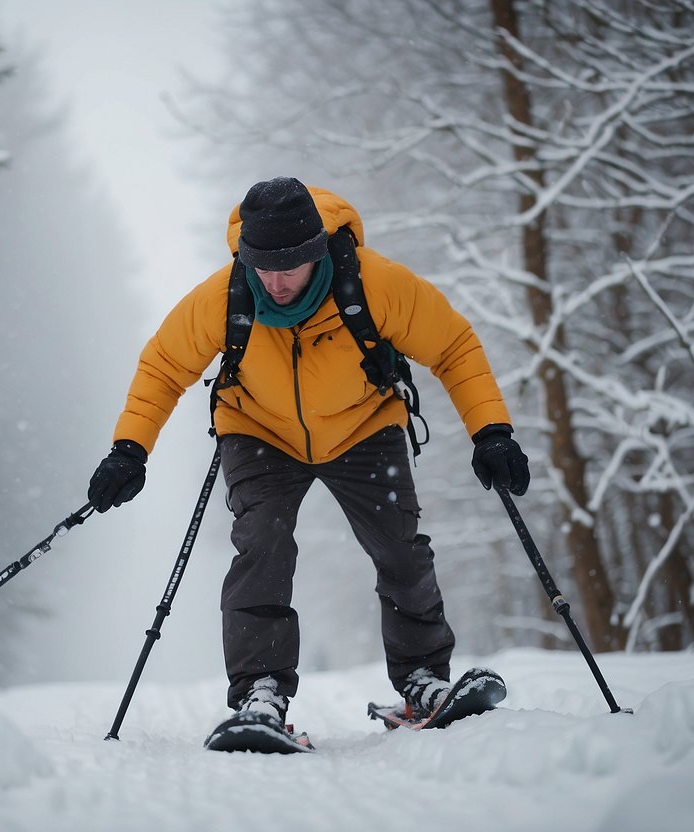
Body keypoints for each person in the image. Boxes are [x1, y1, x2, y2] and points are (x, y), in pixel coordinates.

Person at [88, 177, 529, 731]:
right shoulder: (224, 297)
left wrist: (491, 431)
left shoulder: (375, 285)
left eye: (287, 266)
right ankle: (261, 691)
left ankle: (422, 681)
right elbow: (163, 367)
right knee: (262, 544)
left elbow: (453, 346)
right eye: (261, 267)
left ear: (315, 251)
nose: (273, 281)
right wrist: (130, 449)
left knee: (400, 547)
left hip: (364, 426)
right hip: (259, 431)